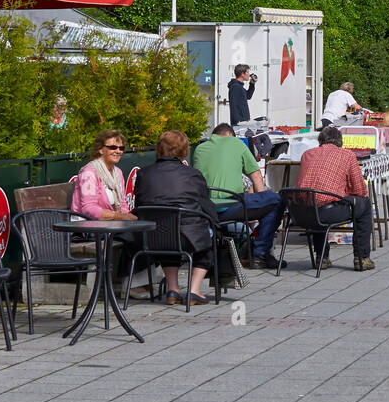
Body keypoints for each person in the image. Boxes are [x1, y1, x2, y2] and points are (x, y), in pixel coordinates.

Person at [133, 130, 222, 305]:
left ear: (158, 149)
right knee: (210, 238)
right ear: (184, 151)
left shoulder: (144, 174)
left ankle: (173, 289)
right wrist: (215, 223)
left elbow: (139, 204)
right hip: (189, 237)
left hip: (153, 237)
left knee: (168, 232)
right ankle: (194, 291)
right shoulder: (192, 174)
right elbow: (205, 205)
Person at [71, 129, 154, 300]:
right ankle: (130, 284)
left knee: (148, 230)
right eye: (112, 147)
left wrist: (127, 215)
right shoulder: (89, 173)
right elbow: (89, 209)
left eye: (121, 148)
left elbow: (122, 204)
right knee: (134, 235)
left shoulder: (117, 173)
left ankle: (136, 280)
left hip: (108, 224)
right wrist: (121, 217)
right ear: (101, 149)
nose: (118, 151)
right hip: (85, 227)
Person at [192, 123, 284, 269]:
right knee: (276, 201)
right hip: (229, 206)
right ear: (229, 134)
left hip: (204, 209)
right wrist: (263, 205)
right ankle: (259, 253)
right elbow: (256, 176)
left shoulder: (199, 148)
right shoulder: (237, 143)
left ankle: (250, 248)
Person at [296, 126, 375, 271]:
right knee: (364, 205)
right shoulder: (347, 155)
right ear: (340, 141)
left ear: (320, 141)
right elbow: (359, 189)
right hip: (325, 212)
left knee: (317, 200)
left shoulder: (307, 154)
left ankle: (322, 257)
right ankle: (362, 257)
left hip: (302, 214)